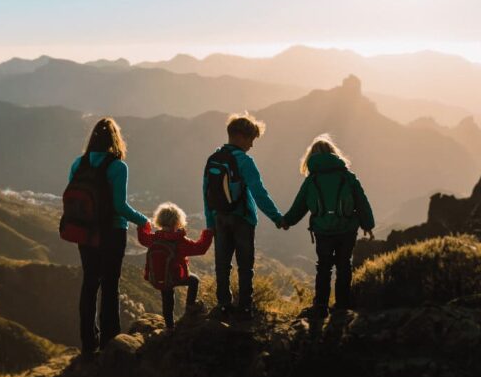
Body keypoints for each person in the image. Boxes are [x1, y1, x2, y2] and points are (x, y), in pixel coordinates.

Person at [69, 117, 150, 357]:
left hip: (85, 232)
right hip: (112, 232)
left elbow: (73, 199)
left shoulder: (79, 163)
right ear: (116, 140)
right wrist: (143, 220)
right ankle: (109, 340)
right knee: (110, 284)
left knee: (90, 283)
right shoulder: (117, 166)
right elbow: (119, 205)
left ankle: (87, 342)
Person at [281, 134, 375, 319]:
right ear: (334, 153)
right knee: (344, 265)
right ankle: (342, 306)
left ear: (311, 157)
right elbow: (361, 201)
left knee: (323, 267)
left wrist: (287, 221)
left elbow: (299, 205)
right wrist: (367, 224)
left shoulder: (311, 180)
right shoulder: (347, 176)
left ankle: (321, 306)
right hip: (347, 229)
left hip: (323, 230)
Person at [203, 112, 284, 320]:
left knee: (222, 264)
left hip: (220, 217)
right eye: (251, 139)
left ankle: (223, 304)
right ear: (240, 136)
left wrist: (210, 223)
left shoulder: (213, 159)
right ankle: (245, 308)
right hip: (243, 219)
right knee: (245, 265)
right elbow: (259, 193)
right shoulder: (245, 161)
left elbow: (206, 193)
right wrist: (276, 217)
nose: (251, 145)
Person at [137, 202, 213, 328]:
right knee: (194, 280)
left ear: (160, 220)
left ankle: (169, 326)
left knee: (167, 299)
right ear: (178, 221)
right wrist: (208, 233)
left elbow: (142, 238)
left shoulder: (155, 238)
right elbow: (200, 248)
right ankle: (190, 307)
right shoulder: (179, 241)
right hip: (176, 277)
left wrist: (143, 225)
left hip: (160, 277)